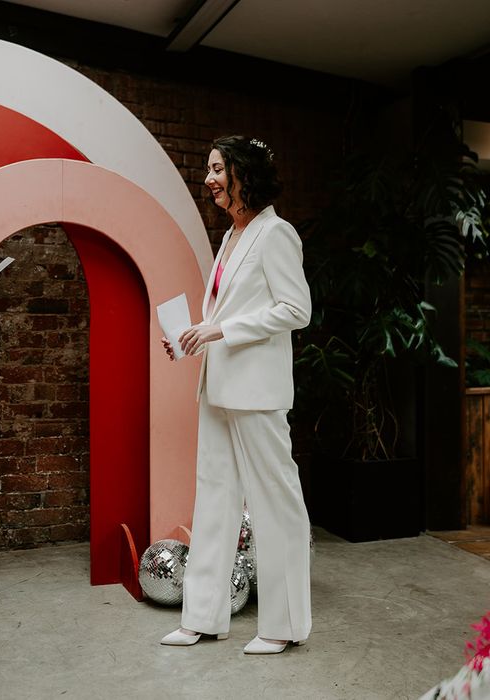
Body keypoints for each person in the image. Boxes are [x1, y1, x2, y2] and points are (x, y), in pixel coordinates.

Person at [160, 135, 312, 654]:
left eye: (218, 169)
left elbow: (296, 309)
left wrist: (221, 331)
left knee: (276, 504)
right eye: (209, 170)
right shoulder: (230, 237)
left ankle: (284, 626)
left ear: (244, 173)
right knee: (214, 501)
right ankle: (202, 616)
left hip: (259, 393)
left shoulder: (276, 233)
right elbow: (226, 313)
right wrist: (194, 333)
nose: (209, 179)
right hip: (218, 386)